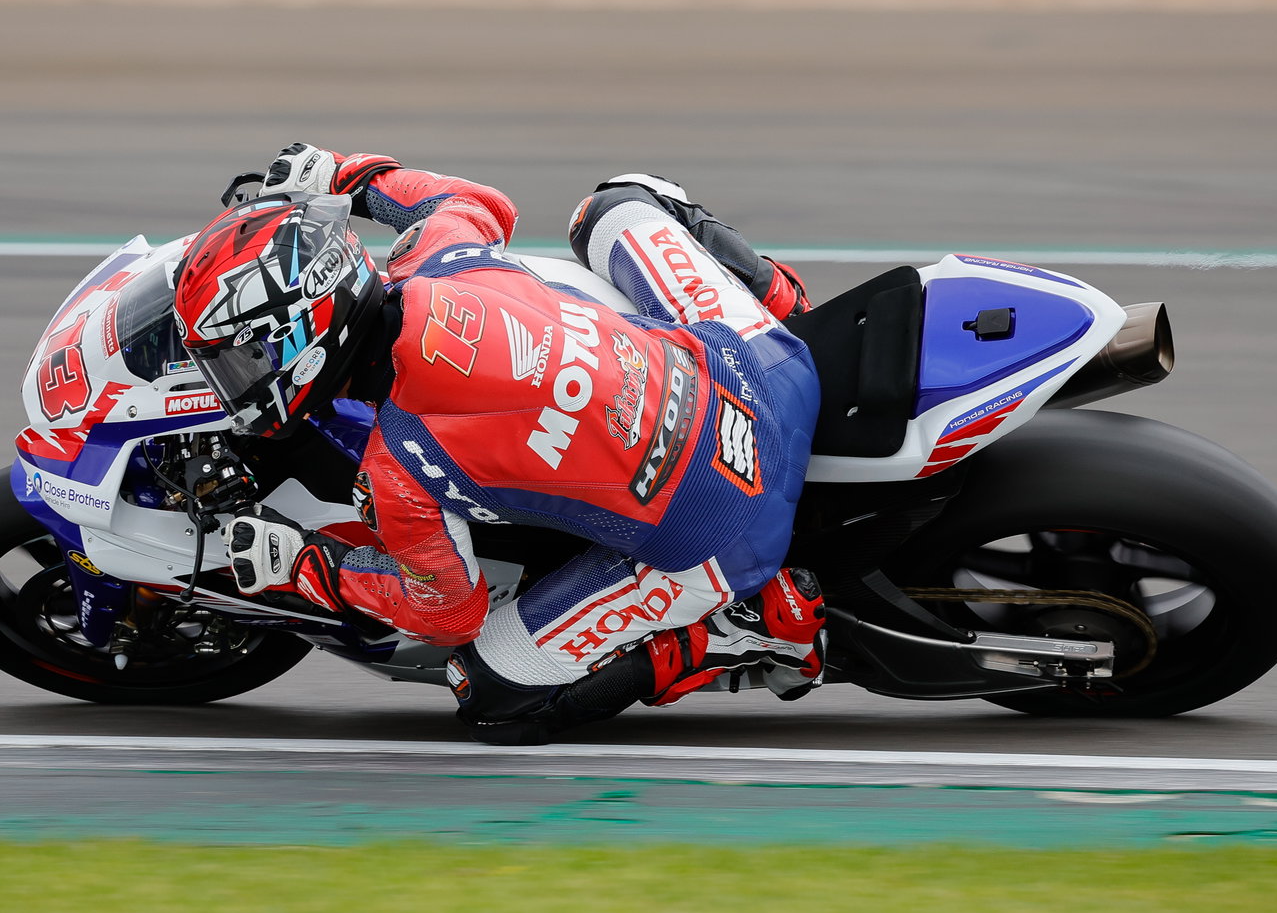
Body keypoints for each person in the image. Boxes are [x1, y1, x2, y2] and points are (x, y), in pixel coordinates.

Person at [173, 144, 827, 745]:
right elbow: (481, 204)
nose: (234, 380)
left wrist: (305, 565)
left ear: (303, 347)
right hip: (769, 366)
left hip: (731, 532)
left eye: (240, 360)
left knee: (487, 688)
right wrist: (345, 175)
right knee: (615, 204)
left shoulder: (400, 469)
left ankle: (738, 631)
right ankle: (774, 295)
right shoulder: (439, 253)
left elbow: (448, 611)